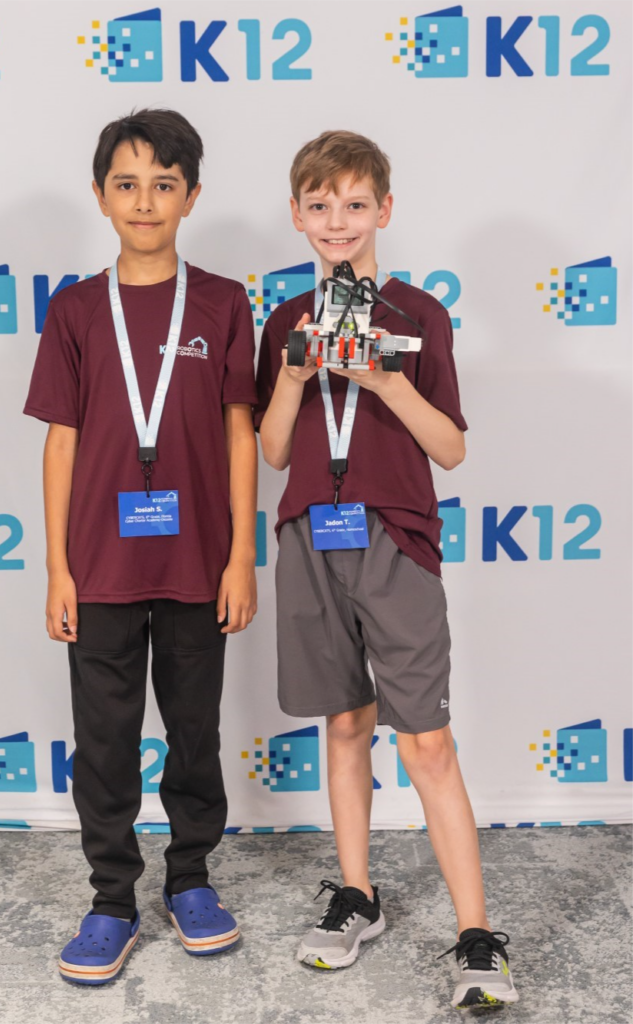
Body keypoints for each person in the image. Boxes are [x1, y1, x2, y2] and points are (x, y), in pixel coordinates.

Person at [255, 130, 518, 1009]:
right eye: (320, 206)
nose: (337, 221)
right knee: (342, 724)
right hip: (307, 539)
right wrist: (295, 372)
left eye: (354, 205)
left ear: (384, 211)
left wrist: (383, 382)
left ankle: (475, 934)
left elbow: (451, 449)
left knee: (427, 743)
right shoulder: (281, 319)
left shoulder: (417, 315)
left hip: (394, 538)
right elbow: (273, 447)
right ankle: (356, 897)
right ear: (297, 215)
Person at [23, 108, 258, 985]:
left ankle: (190, 879)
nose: (145, 200)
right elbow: (60, 441)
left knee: (194, 734)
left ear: (191, 196)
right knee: (105, 741)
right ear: (99, 196)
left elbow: (241, 434)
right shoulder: (78, 308)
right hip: (103, 569)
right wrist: (58, 567)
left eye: (164, 183)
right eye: (127, 183)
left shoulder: (225, 302)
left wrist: (239, 557)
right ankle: (111, 899)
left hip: (199, 563)